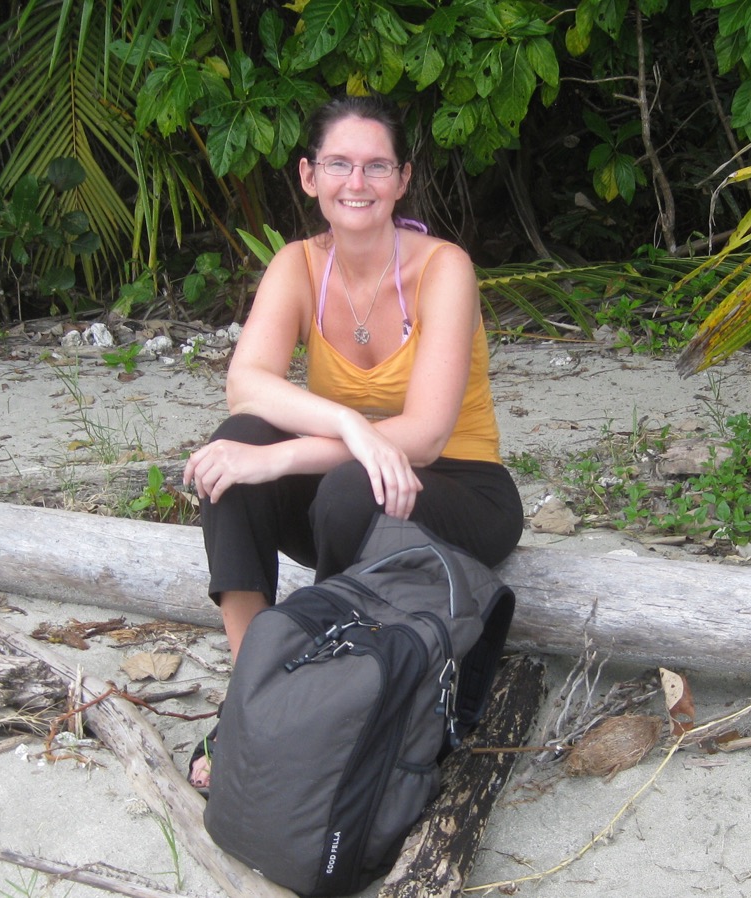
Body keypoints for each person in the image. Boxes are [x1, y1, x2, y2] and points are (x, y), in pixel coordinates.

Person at [181, 96, 525, 789]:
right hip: (351, 496)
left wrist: (283, 456)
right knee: (234, 447)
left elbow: (424, 436)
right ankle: (254, 694)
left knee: (335, 480)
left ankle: (331, 705)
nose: (356, 183)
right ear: (309, 176)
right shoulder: (298, 265)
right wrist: (346, 424)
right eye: (338, 164)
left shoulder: (444, 268)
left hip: (460, 493)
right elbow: (246, 384)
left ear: (402, 180)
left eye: (376, 166)